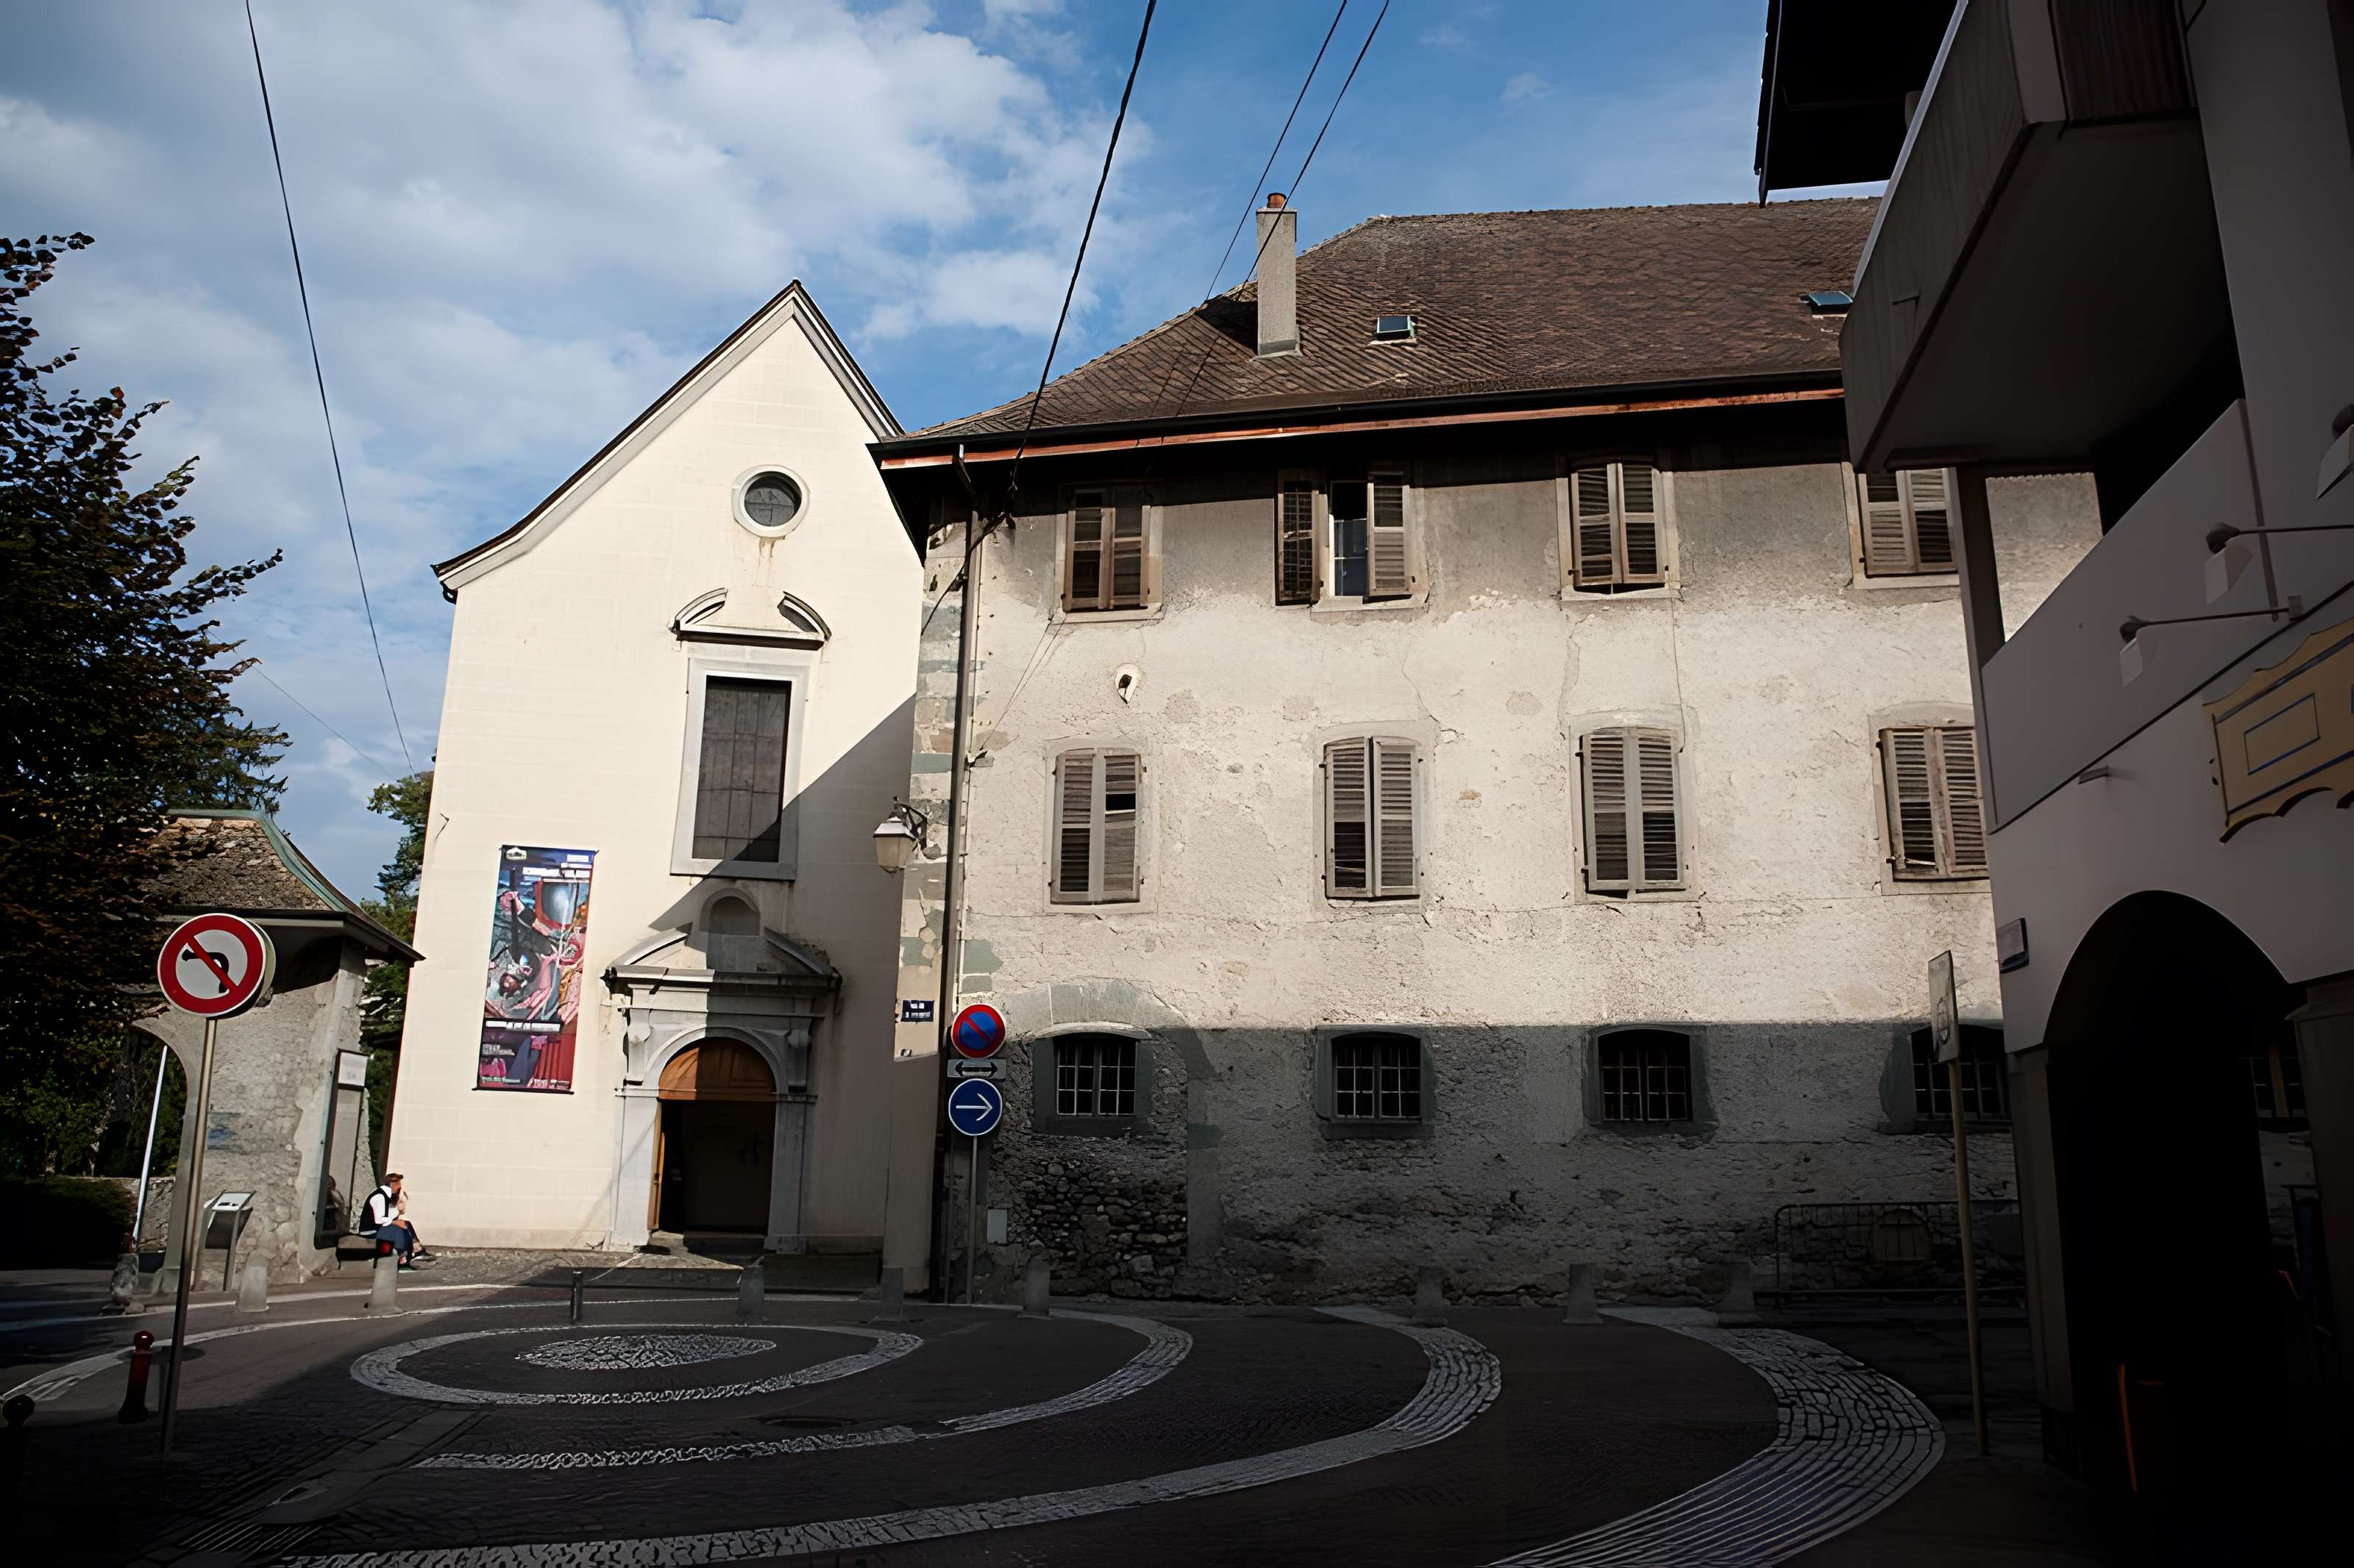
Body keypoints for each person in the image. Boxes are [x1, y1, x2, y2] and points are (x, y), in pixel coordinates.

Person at [363, 1173, 433, 1269]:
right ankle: (406, 1255)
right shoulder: (379, 1196)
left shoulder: (385, 1196)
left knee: (406, 1223)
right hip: (371, 1230)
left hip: (379, 1227)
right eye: (399, 1184)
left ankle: (416, 1250)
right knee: (400, 1229)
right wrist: (395, 1222)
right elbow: (379, 1219)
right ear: (394, 1184)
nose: (400, 1187)